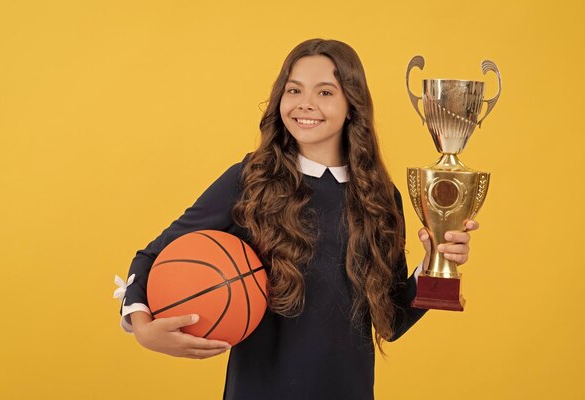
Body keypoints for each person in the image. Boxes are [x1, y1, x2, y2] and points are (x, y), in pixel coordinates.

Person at [114, 38, 479, 400]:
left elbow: (393, 321)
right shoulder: (249, 180)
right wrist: (143, 327)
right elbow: (152, 256)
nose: (306, 104)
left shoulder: (382, 197)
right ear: (280, 99)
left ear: (352, 104)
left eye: (325, 93)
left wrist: (437, 262)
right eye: (294, 90)